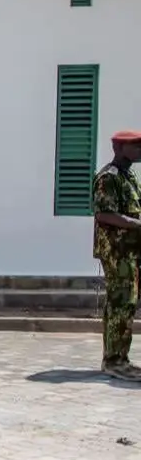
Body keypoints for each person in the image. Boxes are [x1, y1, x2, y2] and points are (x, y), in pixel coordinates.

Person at [92, 130, 141, 381]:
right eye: (136, 146)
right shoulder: (107, 177)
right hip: (116, 252)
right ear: (119, 148)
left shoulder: (129, 175)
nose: (140, 150)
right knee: (121, 303)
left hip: (130, 251)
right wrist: (137, 225)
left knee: (126, 303)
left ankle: (118, 358)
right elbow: (104, 214)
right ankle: (114, 361)